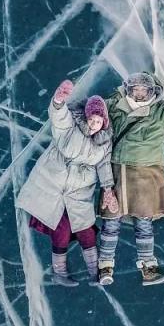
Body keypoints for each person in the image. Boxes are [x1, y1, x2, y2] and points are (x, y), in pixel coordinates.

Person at [97, 72, 164, 286]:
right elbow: (95, 111)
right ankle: (105, 267)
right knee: (111, 222)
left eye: (143, 90)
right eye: (134, 89)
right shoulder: (116, 105)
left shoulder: (159, 112)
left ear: (152, 91)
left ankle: (148, 267)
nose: (138, 94)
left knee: (144, 223)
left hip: (145, 175)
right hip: (116, 171)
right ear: (128, 89)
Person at [16, 79, 120, 286]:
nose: (94, 123)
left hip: (80, 190)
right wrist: (58, 101)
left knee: (85, 230)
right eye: (92, 119)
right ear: (86, 116)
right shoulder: (71, 127)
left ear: (104, 122)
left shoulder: (104, 142)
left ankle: (95, 272)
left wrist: (108, 188)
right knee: (61, 229)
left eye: (99, 121)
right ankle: (59, 272)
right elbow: (59, 118)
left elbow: (104, 165)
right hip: (53, 183)